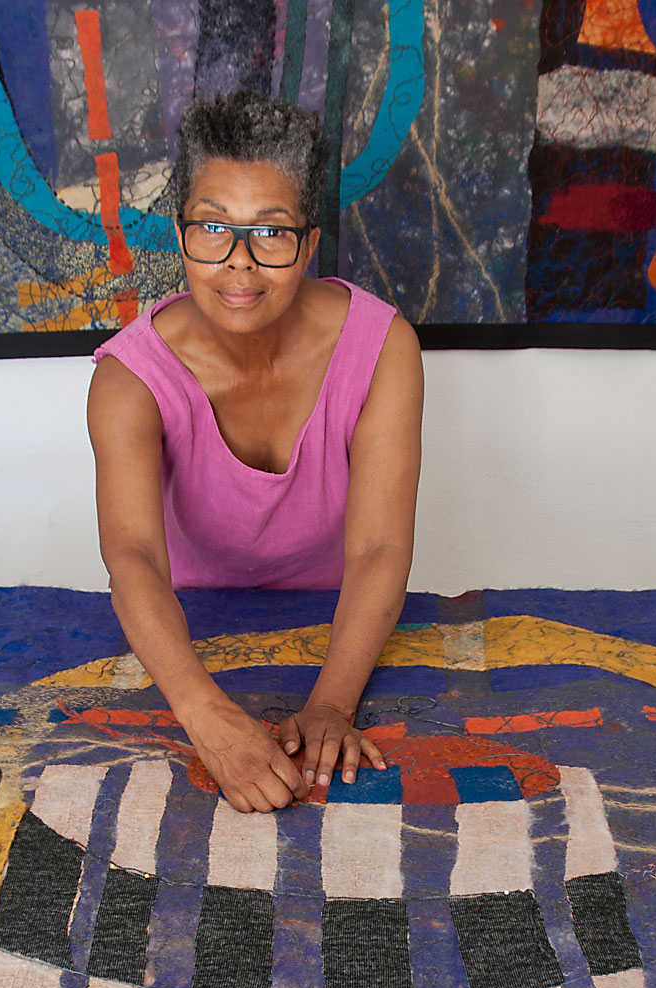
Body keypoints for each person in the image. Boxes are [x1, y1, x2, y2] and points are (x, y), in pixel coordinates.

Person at [88, 90, 423, 815]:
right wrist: (208, 721)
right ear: (180, 235)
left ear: (309, 241)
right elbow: (133, 558)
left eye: (270, 233)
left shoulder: (383, 348)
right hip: (187, 633)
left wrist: (332, 702)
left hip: (341, 626)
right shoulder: (128, 380)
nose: (239, 264)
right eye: (213, 228)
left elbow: (380, 547)